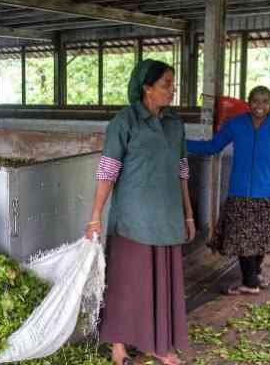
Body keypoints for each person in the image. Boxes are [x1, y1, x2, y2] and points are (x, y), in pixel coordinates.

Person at [85, 59, 195, 365]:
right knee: (126, 284)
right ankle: (118, 346)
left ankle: (157, 344)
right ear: (147, 88)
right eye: (166, 85)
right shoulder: (126, 121)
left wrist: (188, 214)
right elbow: (108, 170)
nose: (172, 90)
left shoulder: (175, 123)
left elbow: (182, 171)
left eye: (172, 84)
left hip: (168, 218)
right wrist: (95, 216)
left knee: (160, 284)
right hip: (133, 220)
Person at [187, 86, 270, 295]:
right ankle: (251, 280)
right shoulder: (236, 124)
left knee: (261, 238)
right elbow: (212, 146)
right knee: (242, 238)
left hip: (268, 193)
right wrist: (180, 143)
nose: (260, 105)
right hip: (240, 193)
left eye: (265, 101)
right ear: (248, 103)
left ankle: (253, 276)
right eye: (256, 101)